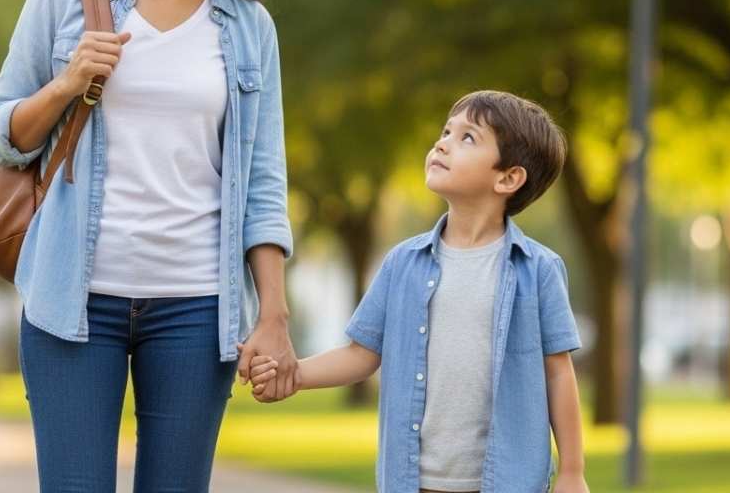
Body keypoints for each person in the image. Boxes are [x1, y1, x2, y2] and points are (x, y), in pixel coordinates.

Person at [0, 0, 296, 492]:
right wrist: (67, 83)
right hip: (73, 300)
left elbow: (263, 182)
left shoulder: (247, 28)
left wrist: (273, 314)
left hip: (195, 305)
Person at [248, 90, 589, 492]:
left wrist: (572, 471)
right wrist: (295, 375)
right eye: (446, 131)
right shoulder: (402, 264)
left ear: (509, 177)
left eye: (467, 138)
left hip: (506, 481)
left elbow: (557, 373)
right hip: (414, 480)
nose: (442, 143)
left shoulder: (539, 270)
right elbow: (362, 353)